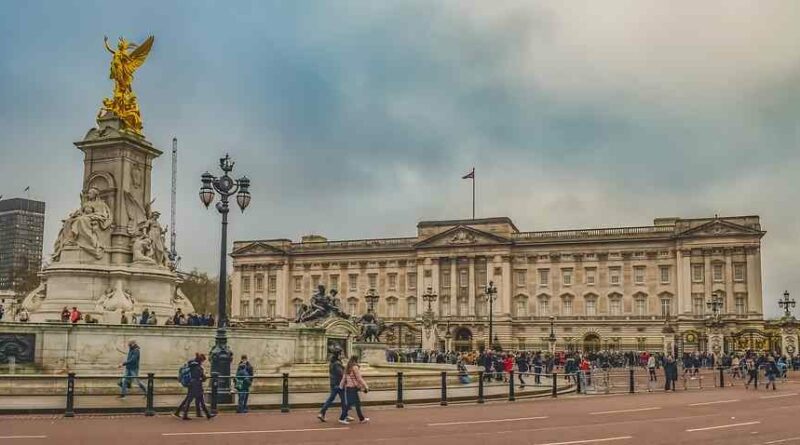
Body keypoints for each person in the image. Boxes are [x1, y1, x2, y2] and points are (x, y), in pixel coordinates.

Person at [174, 353, 214, 420]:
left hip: (191, 384)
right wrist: (204, 377)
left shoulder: (191, 365)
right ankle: (185, 415)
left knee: (189, 399)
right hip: (197, 385)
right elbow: (202, 377)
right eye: (203, 360)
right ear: (200, 360)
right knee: (196, 400)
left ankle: (178, 412)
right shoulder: (198, 367)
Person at [318, 350, 352, 422]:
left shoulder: (332, 362)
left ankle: (322, 413)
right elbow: (341, 373)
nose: (342, 355)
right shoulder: (337, 363)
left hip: (334, 383)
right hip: (339, 384)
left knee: (331, 399)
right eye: (341, 354)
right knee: (343, 400)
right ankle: (344, 415)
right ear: (338, 355)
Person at [338, 355, 369, 425]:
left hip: (349, 387)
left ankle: (362, 419)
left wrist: (340, 386)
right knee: (349, 404)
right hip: (353, 388)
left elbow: (344, 378)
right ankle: (341, 418)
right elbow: (359, 378)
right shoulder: (355, 367)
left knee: (357, 404)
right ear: (356, 360)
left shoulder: (347, 367)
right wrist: (366, 386)